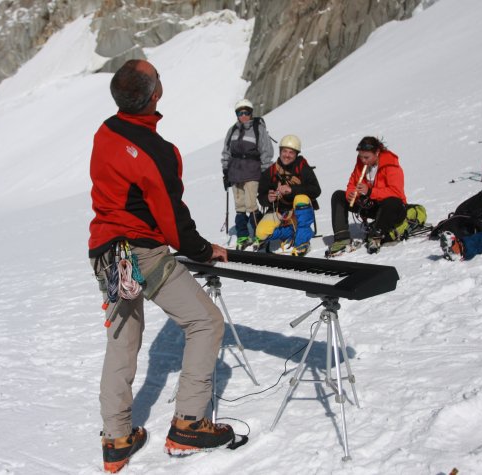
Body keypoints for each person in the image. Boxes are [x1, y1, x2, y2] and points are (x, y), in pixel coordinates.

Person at [88, 59, 237, 473]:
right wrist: (205, 251)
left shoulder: (106, 131)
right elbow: (173, 220)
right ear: (155, 94)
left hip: (105, 252)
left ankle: (116, 439)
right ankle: (189, 424)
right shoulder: (156, 151)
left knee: (122, 341)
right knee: (206, 322)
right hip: (141, 253)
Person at [328, 136, 407, 255]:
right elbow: (352, 183)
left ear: (377, 152)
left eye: (366, 157)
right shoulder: (361, 163)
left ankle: (375, 236)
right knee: (338, 196)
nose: (363, 160)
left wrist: (370, 191)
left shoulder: (390, 165)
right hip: (371, 205)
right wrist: (351, 193)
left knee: (392, 201)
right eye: (361, 156)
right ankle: (341, 238)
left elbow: (396, 192)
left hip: (391, 209)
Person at [221, 99, 274, 250]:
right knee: (240, 207)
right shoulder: (232, 130)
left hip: (252, 171)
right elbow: (226, 152)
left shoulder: (258, 129)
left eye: (246, 112)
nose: (243, 115)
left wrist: (265, 172)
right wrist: (226, 171)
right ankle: (243, 236)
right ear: (237, 114)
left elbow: (266, 151)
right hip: (235, 173)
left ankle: (260, 234)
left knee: (251, 205)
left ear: (251, 113)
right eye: (240, 113)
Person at [255, 134, 321, 256]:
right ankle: (292, 232)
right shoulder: (270, 172)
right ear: (280, 152)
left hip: (300, 211)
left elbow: (316, 190)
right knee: (261, 233)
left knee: (301, 197)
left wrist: (292, 190)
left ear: (296, 154)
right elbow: (261, 197)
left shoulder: (303, 168)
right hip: (280, 212)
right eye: (285, 151)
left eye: (291, 152)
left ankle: (302, 242)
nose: (287, 155)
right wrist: (268, 199)